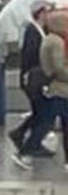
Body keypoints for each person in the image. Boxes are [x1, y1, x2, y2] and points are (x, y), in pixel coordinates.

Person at [20, 10, 68, 169]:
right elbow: (59, 68)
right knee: (45, 124)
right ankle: (25, 152)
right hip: (60, 90)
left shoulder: (50, 39)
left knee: (49, 122)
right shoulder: (56, 42)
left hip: (58, 89)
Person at [10, 1, 53, 165]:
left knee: (40, 112)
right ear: (40, 13)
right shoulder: (32, 31)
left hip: (37, 77)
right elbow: (30, 56)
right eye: (47, 12)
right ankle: (27, 142)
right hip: (34, 79)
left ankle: (22, 135)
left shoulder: (42, 31)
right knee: (43, 112)